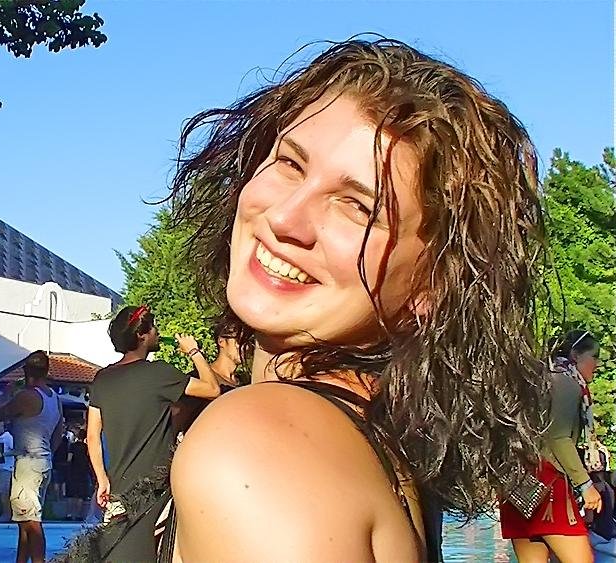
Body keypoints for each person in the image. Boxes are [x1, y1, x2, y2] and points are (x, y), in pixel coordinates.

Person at [163, 37, 552, 562]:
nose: (285, 218)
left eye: (357, 207)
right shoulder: (368, 445)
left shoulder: (263, 448)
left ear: (432, 285)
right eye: (291, 164)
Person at [85, 306, 221, 561]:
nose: (157, 332)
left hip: (118, 485)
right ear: (142, 335)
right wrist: (194, 351)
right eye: (153, 328)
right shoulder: (159, 373)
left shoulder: (102, 379)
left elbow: (92, 436)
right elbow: (212, 389)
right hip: (155, 488)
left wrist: (102, 479)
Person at [499, 330, 604, 562]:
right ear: (575, 355)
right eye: (594, 356)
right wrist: (585, 484)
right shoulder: (566, 383)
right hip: (548, 487)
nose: (597, 364)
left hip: (517, 485)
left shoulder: (539, 379)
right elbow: (558, 438)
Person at [0, 351, 64, 563]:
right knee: (25, 522)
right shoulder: (55, 399)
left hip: (27, 464)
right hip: (44, 461)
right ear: (47, 371)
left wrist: (7, 394)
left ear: (25, 371)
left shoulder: (26, 397)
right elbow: (58, 434)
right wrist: (46, 454)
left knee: (31, 522)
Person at [170, 321, 243, 435]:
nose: (244, 346)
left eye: (249, 341)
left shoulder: (245, 382)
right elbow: (177, 423)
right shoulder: (199, 378)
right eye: (239, 341)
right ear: (221, 341)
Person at [64, 427, 93, 521]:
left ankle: (69, 514)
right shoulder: (87, 447)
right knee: (81, 494)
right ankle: (79, 515)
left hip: (73, 471)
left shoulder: (73, 446)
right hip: (83, 471)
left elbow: (69, 458)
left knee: (71, 494)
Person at [0, 422, 15, 521]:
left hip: (6, 468)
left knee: (4, 492)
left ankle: (7, 514)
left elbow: (15, 451)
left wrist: (2, 454)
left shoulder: (8, 437)